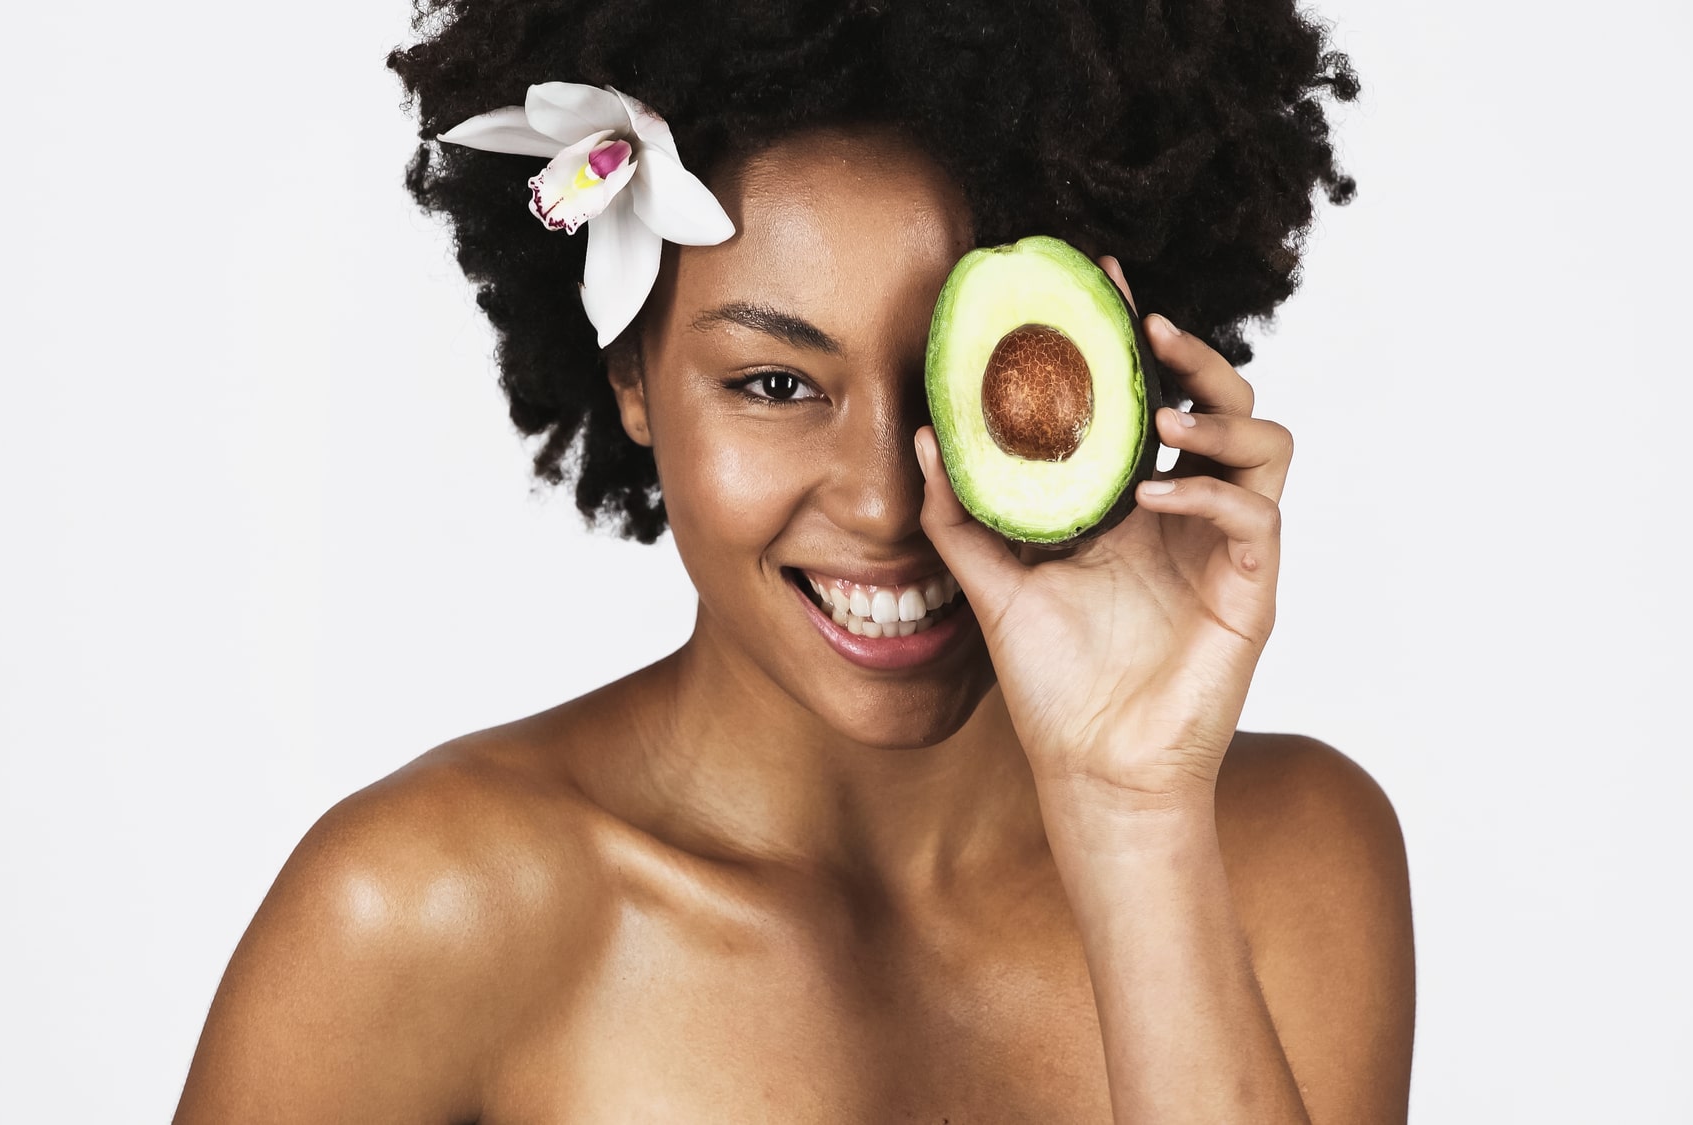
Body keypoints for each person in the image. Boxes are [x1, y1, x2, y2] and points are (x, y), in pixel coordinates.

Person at [173, 0, 1414, 1120]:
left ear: (1115, 382)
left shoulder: (1284, 862)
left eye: (965, 378)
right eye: (773, 383)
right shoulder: (414, 918)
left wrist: (1132, 817)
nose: (883, 500)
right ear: (633, 383)